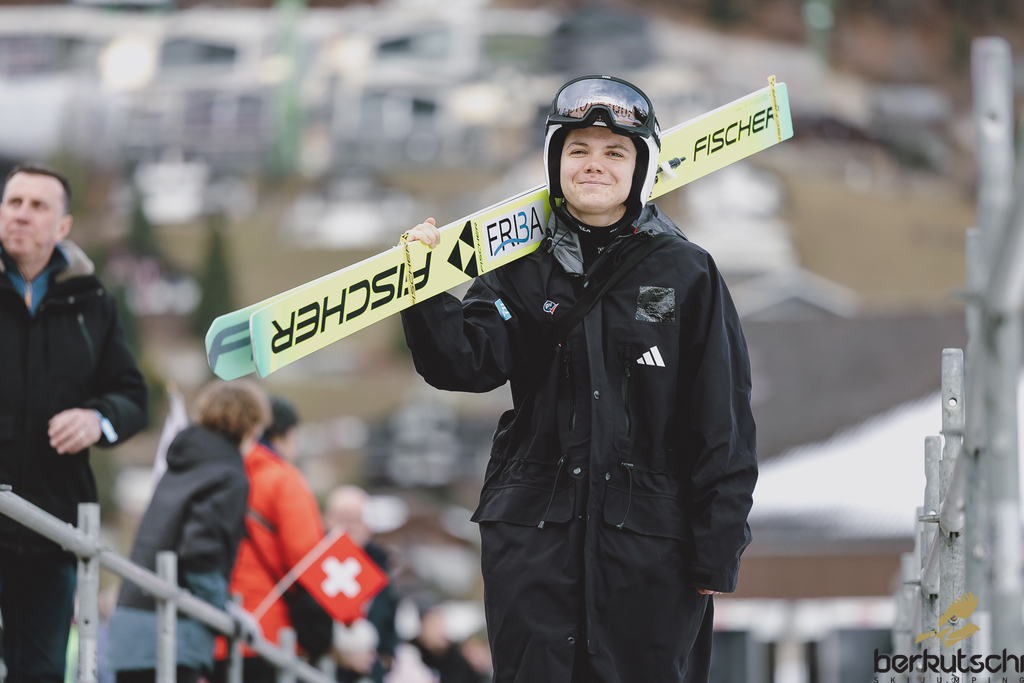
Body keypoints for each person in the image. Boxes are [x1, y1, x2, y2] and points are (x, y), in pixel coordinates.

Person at [400, 75, 758, 682]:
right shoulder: (519, 271)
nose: (594, 164)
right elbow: (464, 362)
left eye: (615, 151)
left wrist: (717, 549)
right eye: (579, 149)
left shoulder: (686, 273)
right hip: (534, 546)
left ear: (641, 167)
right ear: (555, 162)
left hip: (651, 552)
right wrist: (425, 285)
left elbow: (722, 422)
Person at [0, 163, 148, 683]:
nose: (21, 214)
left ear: (63, 226)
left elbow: (133, 396)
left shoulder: (94, 303)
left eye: (38, 206)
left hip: (51, 528)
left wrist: (98, 418)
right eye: (13, 202)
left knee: (39, 675)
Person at [106, 379, 269, 683]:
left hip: (130, 627)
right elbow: (200, 554)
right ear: (251, 428)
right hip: (173, 635)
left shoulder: (181, 463)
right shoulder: (229, 476)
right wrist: (224, 611)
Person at [210, 395, 332, 682]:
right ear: (283, 435)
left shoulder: (219, 475)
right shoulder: (283, 479)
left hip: (218, 631)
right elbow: (306, 559)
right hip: (268, 633)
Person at [323, 486, 400, 683]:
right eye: (343, 518)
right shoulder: (314, 561)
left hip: (370, 671)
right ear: (327, 519)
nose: (350, 526)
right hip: (324, 668)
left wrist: (385, 656)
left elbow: (389, 617)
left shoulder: (381, 566)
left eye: (357, 519)